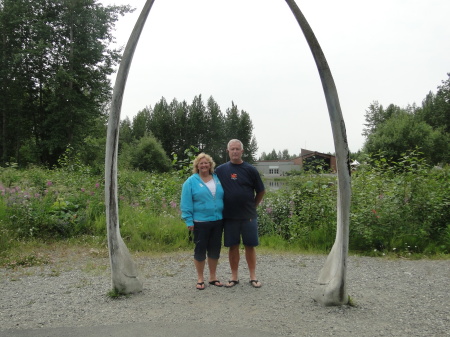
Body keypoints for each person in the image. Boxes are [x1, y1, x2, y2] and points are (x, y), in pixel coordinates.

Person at [215, 139, 265, 288]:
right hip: (229, 216)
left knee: (250, 246)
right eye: (232, 149)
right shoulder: (220, 170)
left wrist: (253, 206)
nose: (235, 152)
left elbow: (261, 191)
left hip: (248, 216)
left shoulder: (250, 170)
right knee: (233, 246)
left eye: (238, 149)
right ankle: (234, 276)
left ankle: (253, 276)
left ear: (242, 151)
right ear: (228, 151)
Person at [180, 152, 225, 290]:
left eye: (206, 163)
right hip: (200, 222)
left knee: (214, 249)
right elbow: (186, 203)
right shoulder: (191, 182)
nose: (204, 165)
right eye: (201, 163)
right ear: (197, 166)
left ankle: (213, 277)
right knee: (200, 249)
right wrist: (189, 220)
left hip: (217, 220)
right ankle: (200, 278)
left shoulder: (217, 179)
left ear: (210, 165)